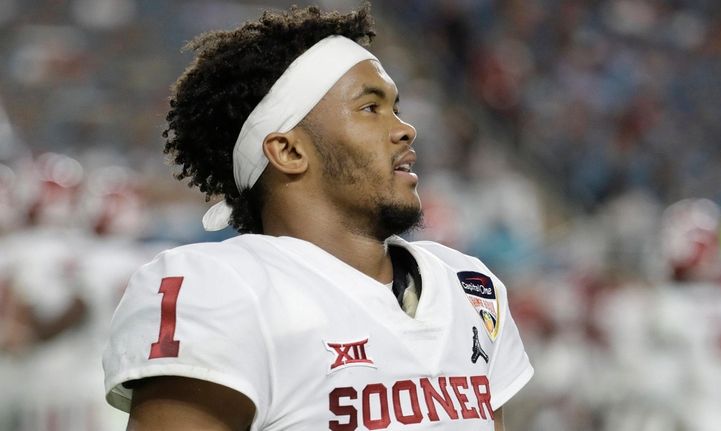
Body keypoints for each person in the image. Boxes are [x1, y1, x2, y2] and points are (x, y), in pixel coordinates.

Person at [102, 4, 533, 430]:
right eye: (370, 108)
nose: (405, 129)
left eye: (396, 107)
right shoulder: (221, 289)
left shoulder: (469, 286)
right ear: (288, 151)